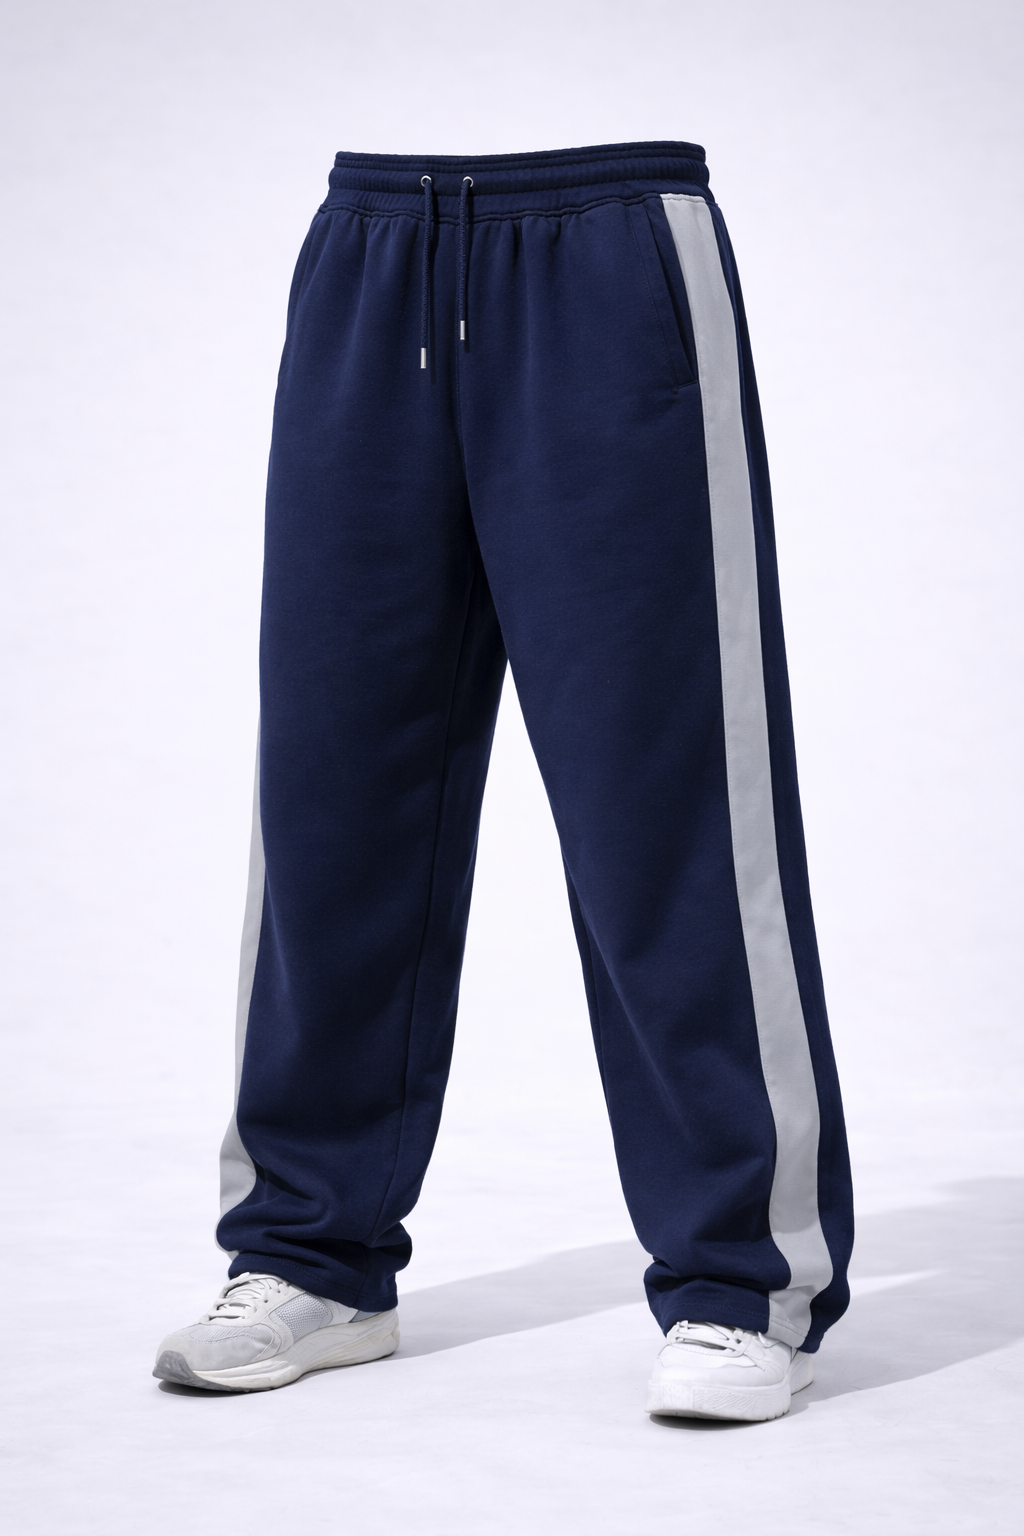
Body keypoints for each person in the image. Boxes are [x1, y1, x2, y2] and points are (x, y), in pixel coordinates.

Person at [153, 141, 853, 1421]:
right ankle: (311, 1258)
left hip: (612, 259)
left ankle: (741, 1285)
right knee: (330, 795)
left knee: (665, 804)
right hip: (367, 257)